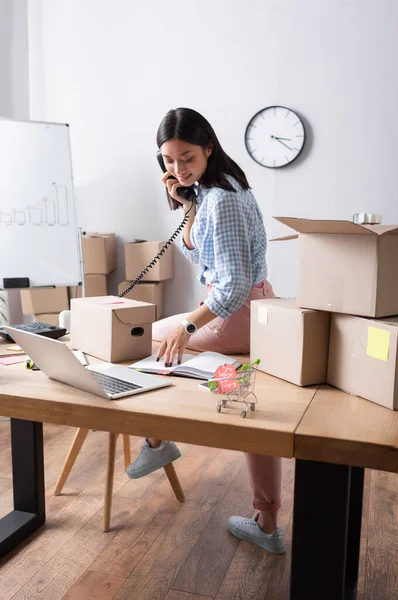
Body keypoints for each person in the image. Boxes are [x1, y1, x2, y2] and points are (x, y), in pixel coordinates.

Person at [126, 108, 285, 555]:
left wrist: (187, 326)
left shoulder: (225, 199)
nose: (178, 168)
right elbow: (206, 253)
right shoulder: (213, 191)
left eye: (187, 157)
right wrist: (185, 200)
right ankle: (267, 524)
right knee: (249, 413)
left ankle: (157, 441)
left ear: (209, 147)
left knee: (145, 336)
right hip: (248, 312)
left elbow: (231, 283)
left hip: (236, 312)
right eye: (169, 160)